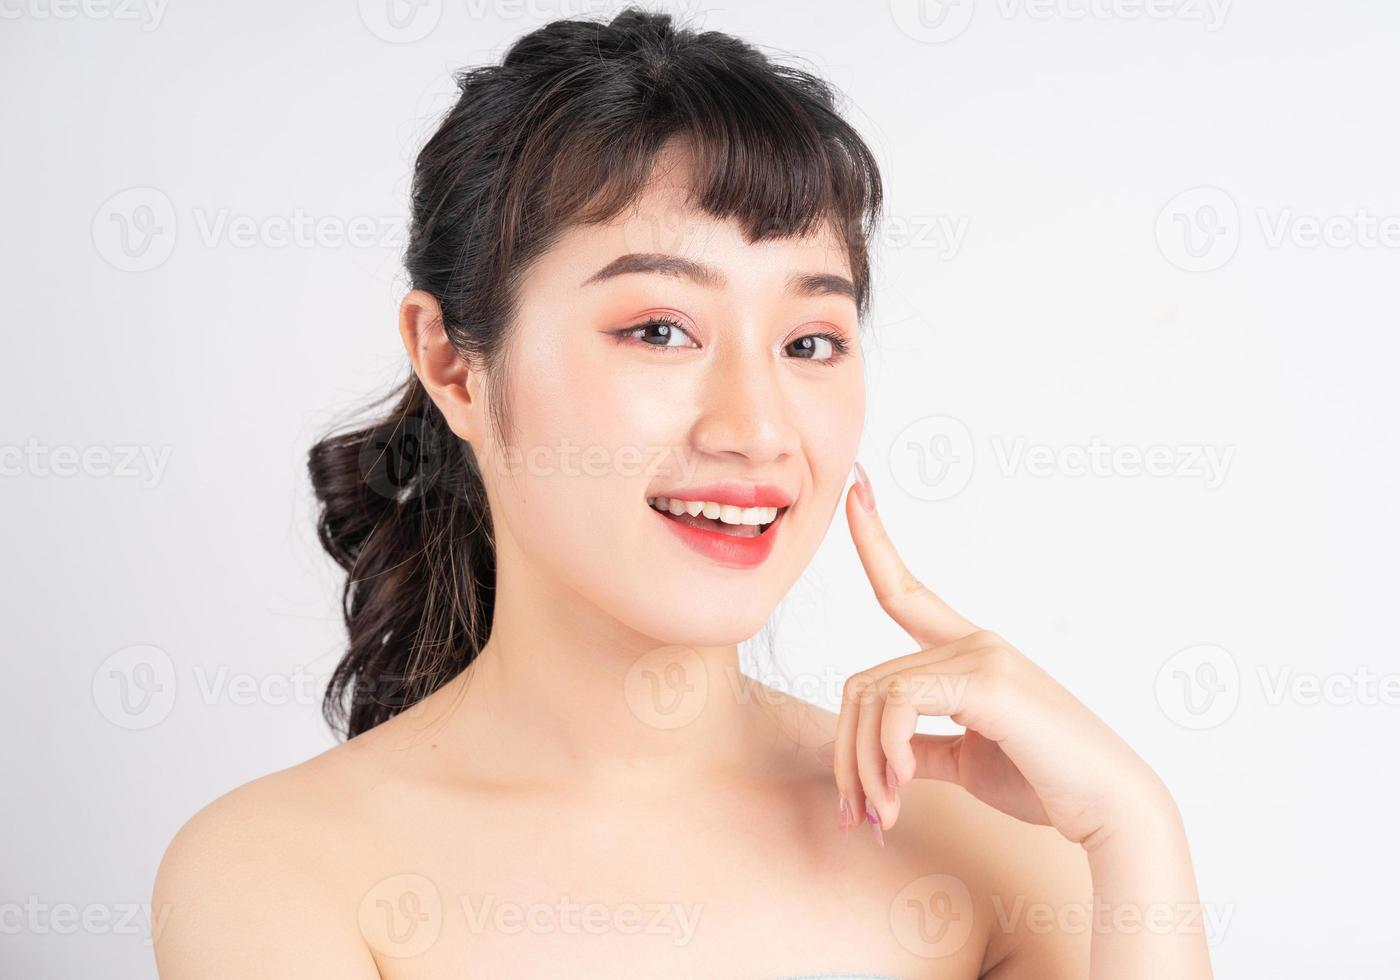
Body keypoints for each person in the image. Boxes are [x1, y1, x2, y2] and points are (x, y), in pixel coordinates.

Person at [152, 8, 1212, 977]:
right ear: (455, 364)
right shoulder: (283, 872)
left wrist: (1134, 824)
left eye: (809, 340)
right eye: (660, 329)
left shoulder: (982, 844)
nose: (754, 427)